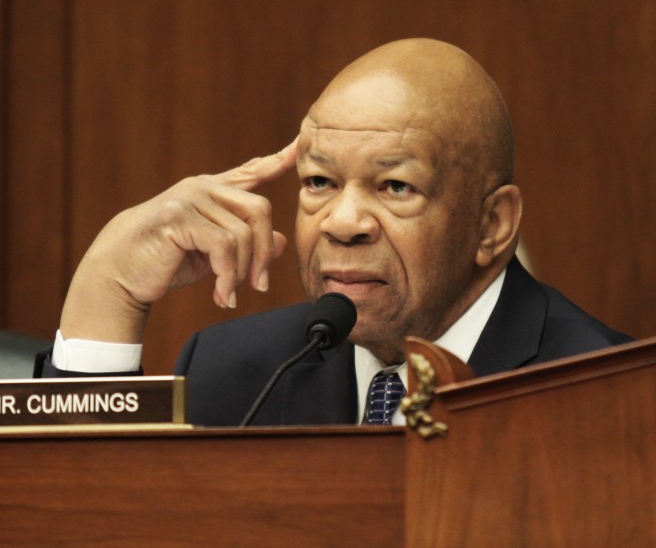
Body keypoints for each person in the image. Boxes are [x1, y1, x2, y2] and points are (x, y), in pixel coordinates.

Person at [34, 38, 631, 426]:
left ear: (491, 225)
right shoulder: (236, 374)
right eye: (319, 182)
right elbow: (96, 522)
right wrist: (108, 291)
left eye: (396, 187)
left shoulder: (608, 399)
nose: (342, 223)